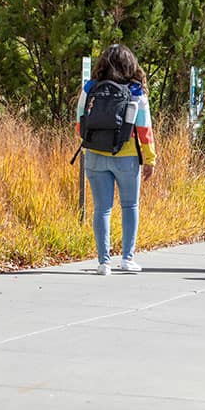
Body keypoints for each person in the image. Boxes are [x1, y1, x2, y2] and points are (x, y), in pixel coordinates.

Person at [76, 44, 157, 276]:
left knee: (102, 209)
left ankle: (104, 263)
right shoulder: (135, 91)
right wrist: (150, 158)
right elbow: (144, 128)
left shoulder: (89, 88)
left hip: (94, 155)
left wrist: (90, 147)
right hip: (127, 155)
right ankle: (127, 259)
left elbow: (79, 123)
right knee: (130, 205)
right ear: (130, 64)